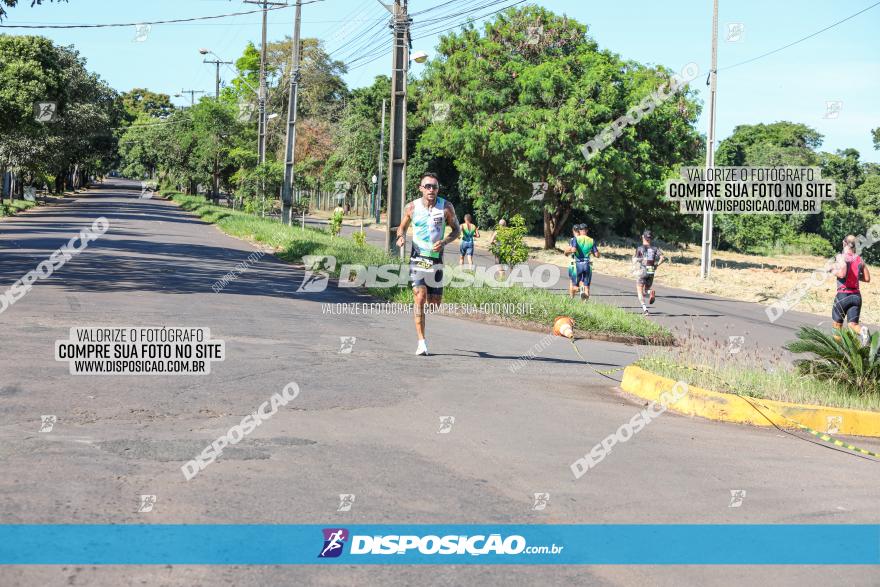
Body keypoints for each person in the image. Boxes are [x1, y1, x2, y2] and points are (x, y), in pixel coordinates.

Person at [396, 172, 461, 356]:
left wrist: (445, 242)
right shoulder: (411, 207)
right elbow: (402, 228)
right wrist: (400, 237)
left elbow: (457, 230)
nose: (431, 189)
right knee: (420, 297)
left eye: (434, 186)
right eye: (428, 186)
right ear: (421, 189)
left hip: (436, 259)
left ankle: (428, 309)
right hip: (418, 257)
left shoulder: (446, 207)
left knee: (434, 304)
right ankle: (421, 342)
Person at [830, 234, 871, 344]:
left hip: (843, 295)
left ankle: (837, 354)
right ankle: (862, 332)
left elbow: (842, 273)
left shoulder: (841, 256)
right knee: (853, 325)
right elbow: (867, 278)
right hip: (856, 296)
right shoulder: (859, 259)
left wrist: (832, 271)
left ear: (844, 243)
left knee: (837, 326)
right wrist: (856, 276)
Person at [565, 224, 600, 300]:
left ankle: (580, 291)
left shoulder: (575, 239)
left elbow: (573, 250)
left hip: (578, 264)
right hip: (587, 264)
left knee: (574, 286)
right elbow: (597, 255)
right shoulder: (591, 240)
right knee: (587, 286)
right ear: (587, 230)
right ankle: (584, 303)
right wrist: (591, 252)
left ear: (579, 231)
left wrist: (571, 250)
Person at [633, 230, 664, 315]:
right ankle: (651, 292)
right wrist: (657, 265)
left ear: (643, 237)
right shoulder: (654, 248)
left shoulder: (639, 248)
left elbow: (636, 260)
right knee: (646, 290)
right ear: (650, 238)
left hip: (642, 270)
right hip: (651, 270)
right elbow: (662, 257)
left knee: (639, 291)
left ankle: (645, 309)